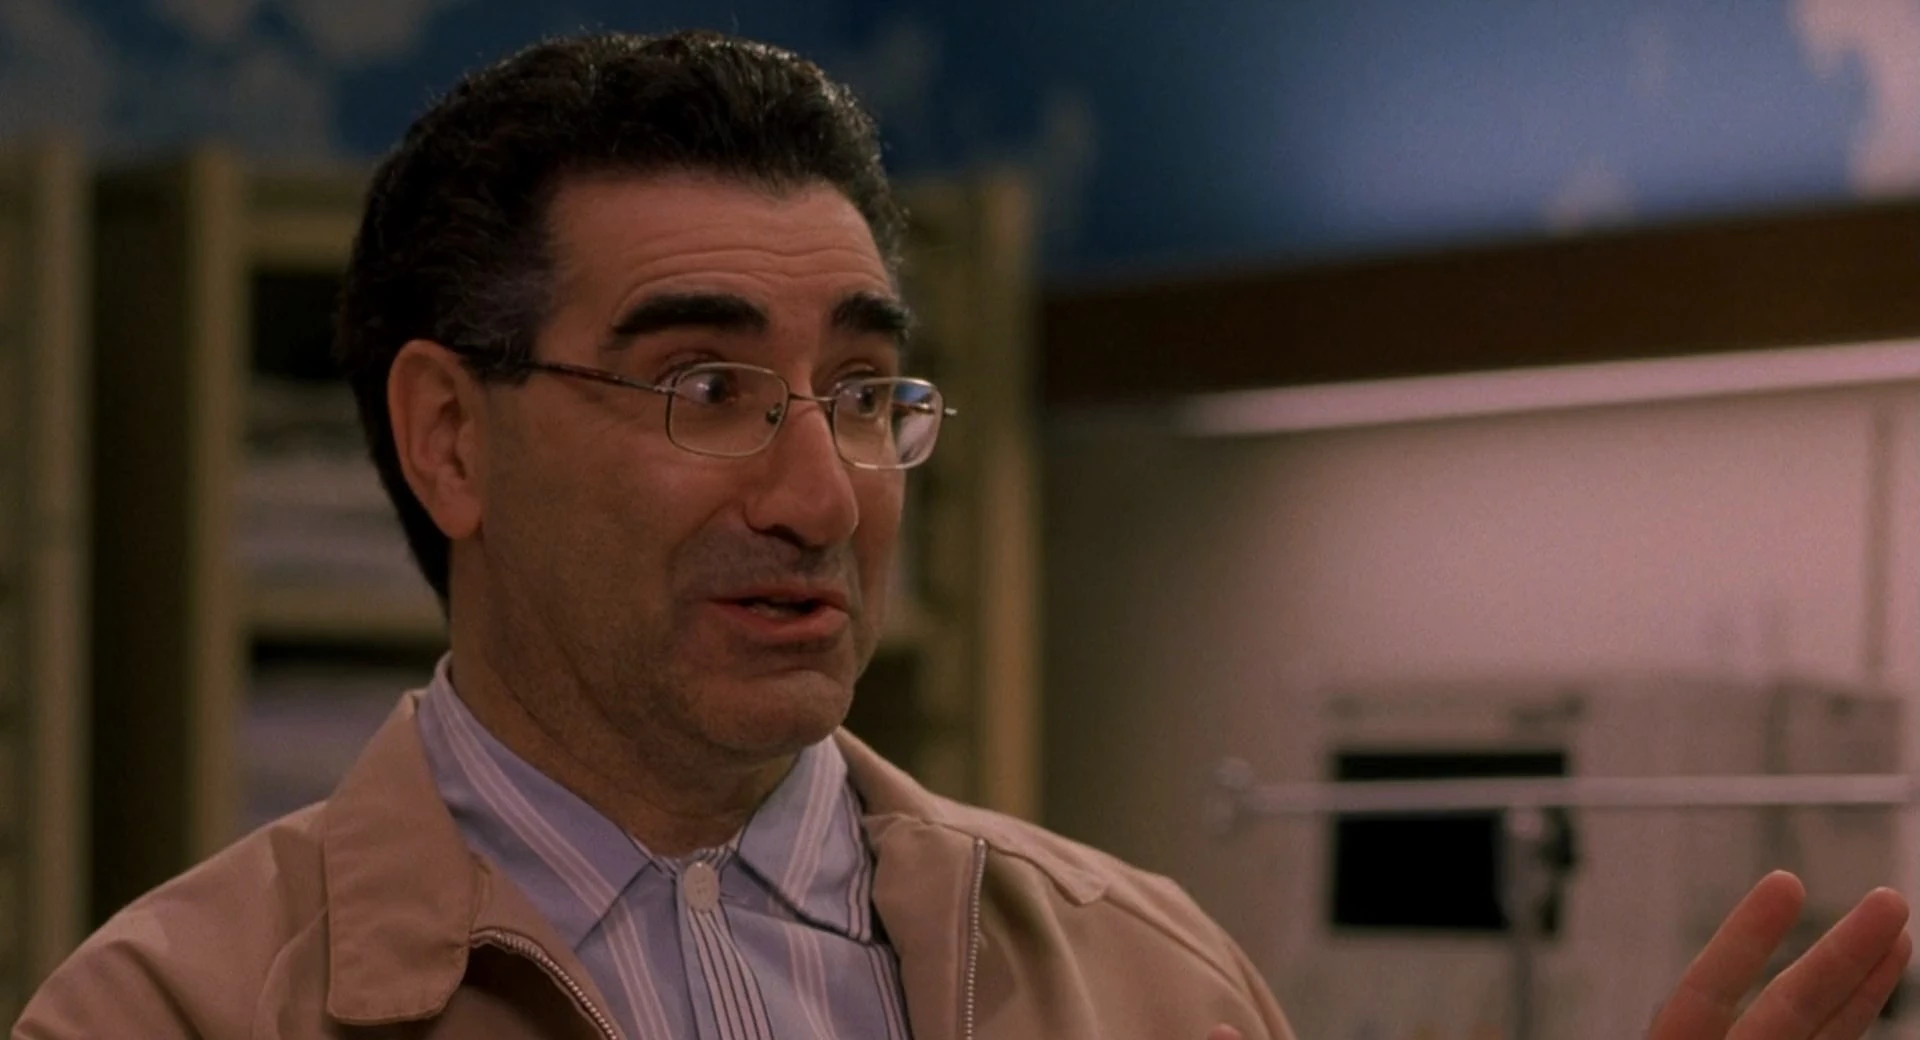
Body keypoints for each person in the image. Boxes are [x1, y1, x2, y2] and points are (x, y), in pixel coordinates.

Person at [12, 29, 1913, 1040]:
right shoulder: (175, 1013)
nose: (818, 494)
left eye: (862, 393)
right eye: (705, 388)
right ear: (450, 439)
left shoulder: (1148, 984)